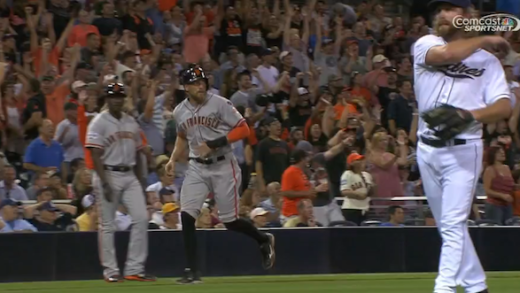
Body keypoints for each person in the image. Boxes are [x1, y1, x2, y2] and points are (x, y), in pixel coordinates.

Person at [414, 0, 512, 292]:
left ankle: (443, 288)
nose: (442, 14)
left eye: (451, 8)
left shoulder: (488, 62)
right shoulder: (425, 43)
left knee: (454, 223)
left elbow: (504, 106)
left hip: (463, 150)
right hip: (426, 148)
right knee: (448, 226)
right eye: (439, 10)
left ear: (467, 17)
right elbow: (444, 55)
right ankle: (477, 286)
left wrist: (472, 115)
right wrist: (484, 36)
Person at [165, 64, 275, 284]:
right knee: (187, 216)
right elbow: (181, 135)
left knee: (230, 221)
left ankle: (263, 239)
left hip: (223, 165)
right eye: (195, 83)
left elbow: (244, 129)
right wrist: (173, 158)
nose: (200, 85)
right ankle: (192, 271)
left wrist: (215, 143)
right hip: (197, 166)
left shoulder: (220, 103)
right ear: (185, 87)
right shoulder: (179, 111)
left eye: (202, 81)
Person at [86, 83, 155, 282]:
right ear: (107, 99)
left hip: (129, 174)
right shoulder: (98, 122)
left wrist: (141, 183)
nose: (117, 99)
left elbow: (140, 151)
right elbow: (96, 154)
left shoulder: (131, 122)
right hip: (108, 173)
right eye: (113, 96)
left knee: (142, 218)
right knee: (108, 224)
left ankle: (134, 269)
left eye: (120, 96)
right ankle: (111, 271)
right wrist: (105, 183)